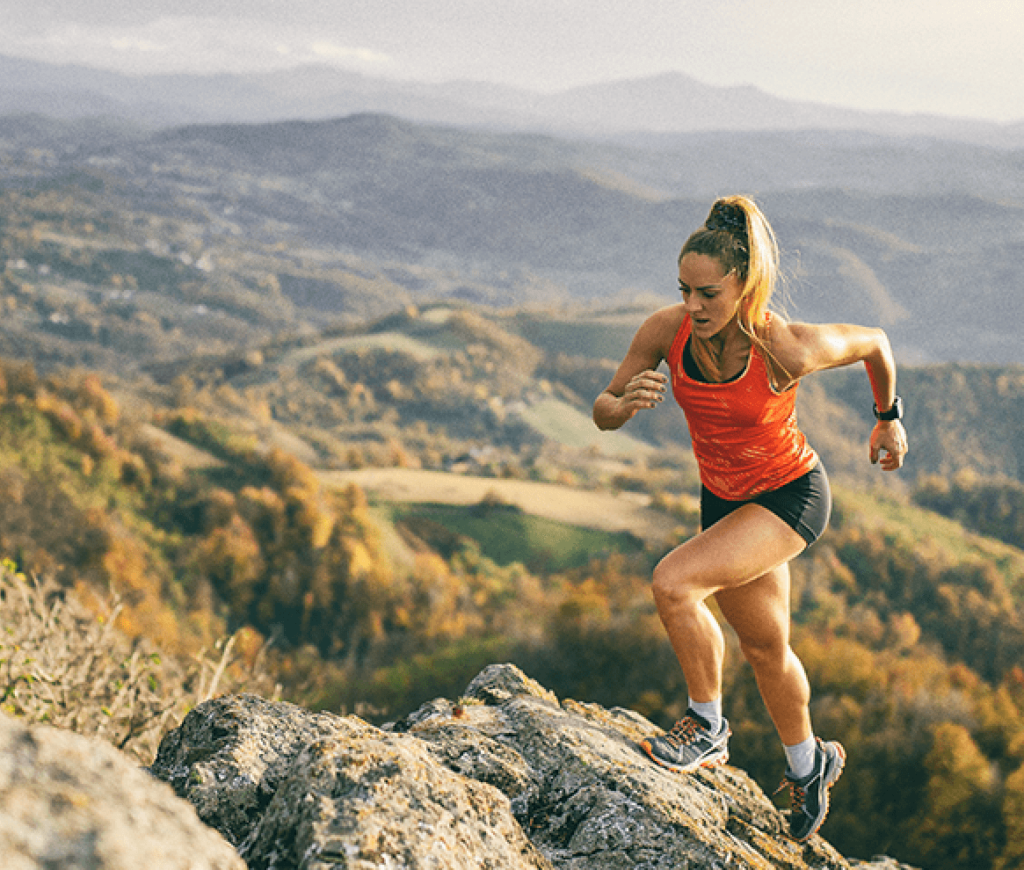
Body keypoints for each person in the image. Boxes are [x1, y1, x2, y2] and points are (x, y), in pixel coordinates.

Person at [592, 194, 908, 842]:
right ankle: (809, 763)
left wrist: (888, 420)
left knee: (674, 582)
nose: (694, 306)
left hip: (791, 495)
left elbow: (875, 343)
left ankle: (706, 728)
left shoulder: (782, 345)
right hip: (727, 502)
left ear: (744, 286)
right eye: (685, 290)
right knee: (766, 647)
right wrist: (623, 406)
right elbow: (602, 405)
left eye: (708, 292)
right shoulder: (665, 332)